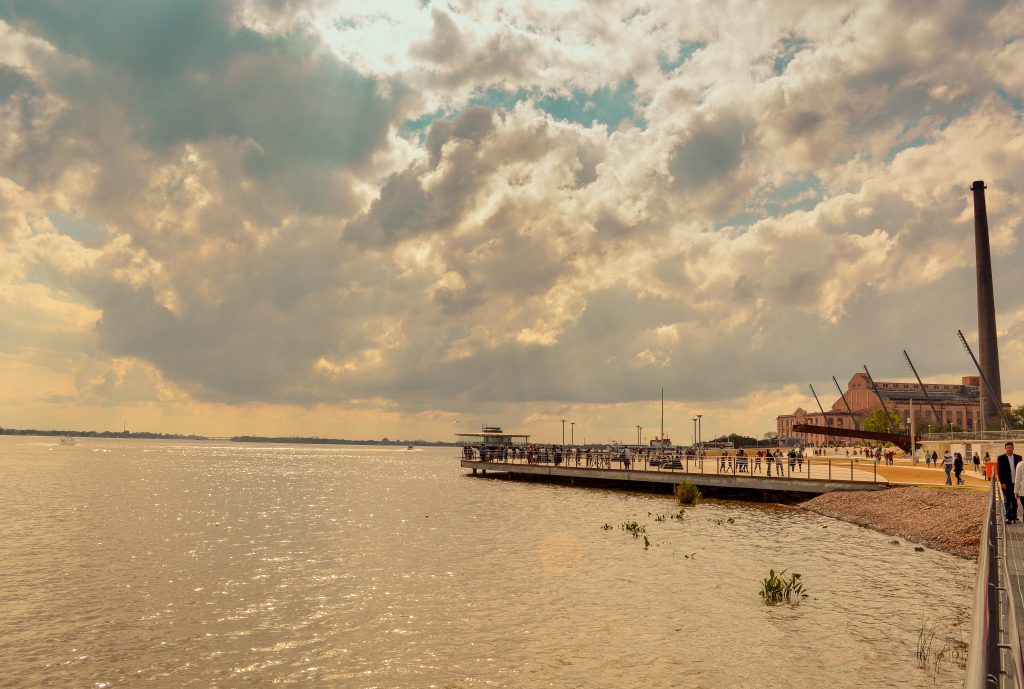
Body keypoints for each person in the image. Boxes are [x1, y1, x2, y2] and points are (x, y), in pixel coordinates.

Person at [999, 442, 1023, 523]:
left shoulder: (1019, 457)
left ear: (1013, 448)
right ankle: (1008, 517)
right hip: (1006, 483)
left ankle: (1014, 516)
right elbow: (1000, 471)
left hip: (1015, 483)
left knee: (1014, 500)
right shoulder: (1001, 458)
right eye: (1008, 447)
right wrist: (1002, 483)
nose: (1009, 449)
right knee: (1007, 500)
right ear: (1005, 449)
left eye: (1011, 447)